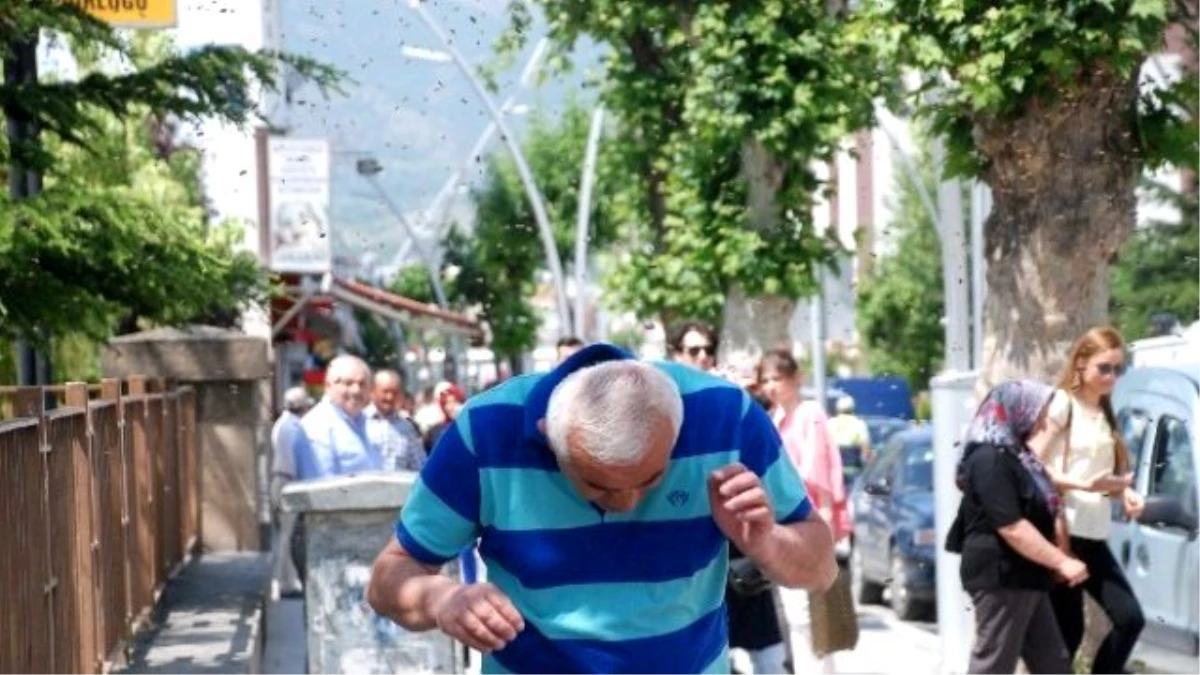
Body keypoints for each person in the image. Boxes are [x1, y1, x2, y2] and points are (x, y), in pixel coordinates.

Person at [366, 343, 837, 674]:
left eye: (651, 479)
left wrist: (767, 540)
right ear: (548, 434)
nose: (627, 502)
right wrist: (441, 598)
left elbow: (820, 571)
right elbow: (389, 579)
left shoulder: (723, 418)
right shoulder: (488, 430)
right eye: (597, 485)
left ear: (679, 430)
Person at [1028, 327, 1145, 674]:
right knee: (1069, 634)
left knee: (1129, 619)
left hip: (1094, 532)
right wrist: (1085, 485)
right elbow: (1032, 464)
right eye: (1103, 368)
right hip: (1064, 531)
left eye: (1117, 369)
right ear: (1080, 364)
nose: (1111, 377)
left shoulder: (1106, 411)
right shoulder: (1063, 404)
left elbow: (1100, 479)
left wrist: (1124, 493)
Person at [950, 380, 1088, 675]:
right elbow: (1011, 526)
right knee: (995, 664)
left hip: (1026, 575)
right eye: (1039, 413)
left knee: (1053, 663)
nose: (1042, 422)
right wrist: (1061, 560)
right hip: (1002, 576)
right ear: (1018, 409)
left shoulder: (1017, 457)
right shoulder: (989, 459)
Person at [759, 349, 852, 674]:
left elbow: (821, 472)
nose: (771, 386)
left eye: (777, 378)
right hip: (784, 524)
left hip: (809, 521)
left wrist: (825, 526)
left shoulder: (810, 413)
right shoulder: (775, 419)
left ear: (795, 379)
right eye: (766, 379)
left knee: (812, 616)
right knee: (798, 616)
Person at [292, 355, 381, 581]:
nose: (356, 390)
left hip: (364, 539)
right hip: (331, 544)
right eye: (348, 383)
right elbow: (323, 492)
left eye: (363, 384)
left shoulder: (365, 423)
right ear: (329, 385)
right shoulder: (318, 426)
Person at [269, 386, 313, 597]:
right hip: (288, 482)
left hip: (282, 480)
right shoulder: (293, 427)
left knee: (285, 534)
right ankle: (280, 582)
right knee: (286, 535)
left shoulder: (284, 424)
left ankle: (285, 580)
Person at [365, 369, 427, 471]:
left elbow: (420, 465)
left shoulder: (406, 427)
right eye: (385, 391)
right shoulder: (361, 422)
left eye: (395, 392)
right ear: (373, 391)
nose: (390, 397)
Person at [827, 395, 872, 492]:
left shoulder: (830, 423)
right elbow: (866, 447)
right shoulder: (859, 424)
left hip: (834, 469)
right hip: (853, 468)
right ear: (853, 408)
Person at [423, 381, 466, 453]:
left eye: (454, 402)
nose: (450, 407)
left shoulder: (471, 427)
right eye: (446, 403)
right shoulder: (436, 430)